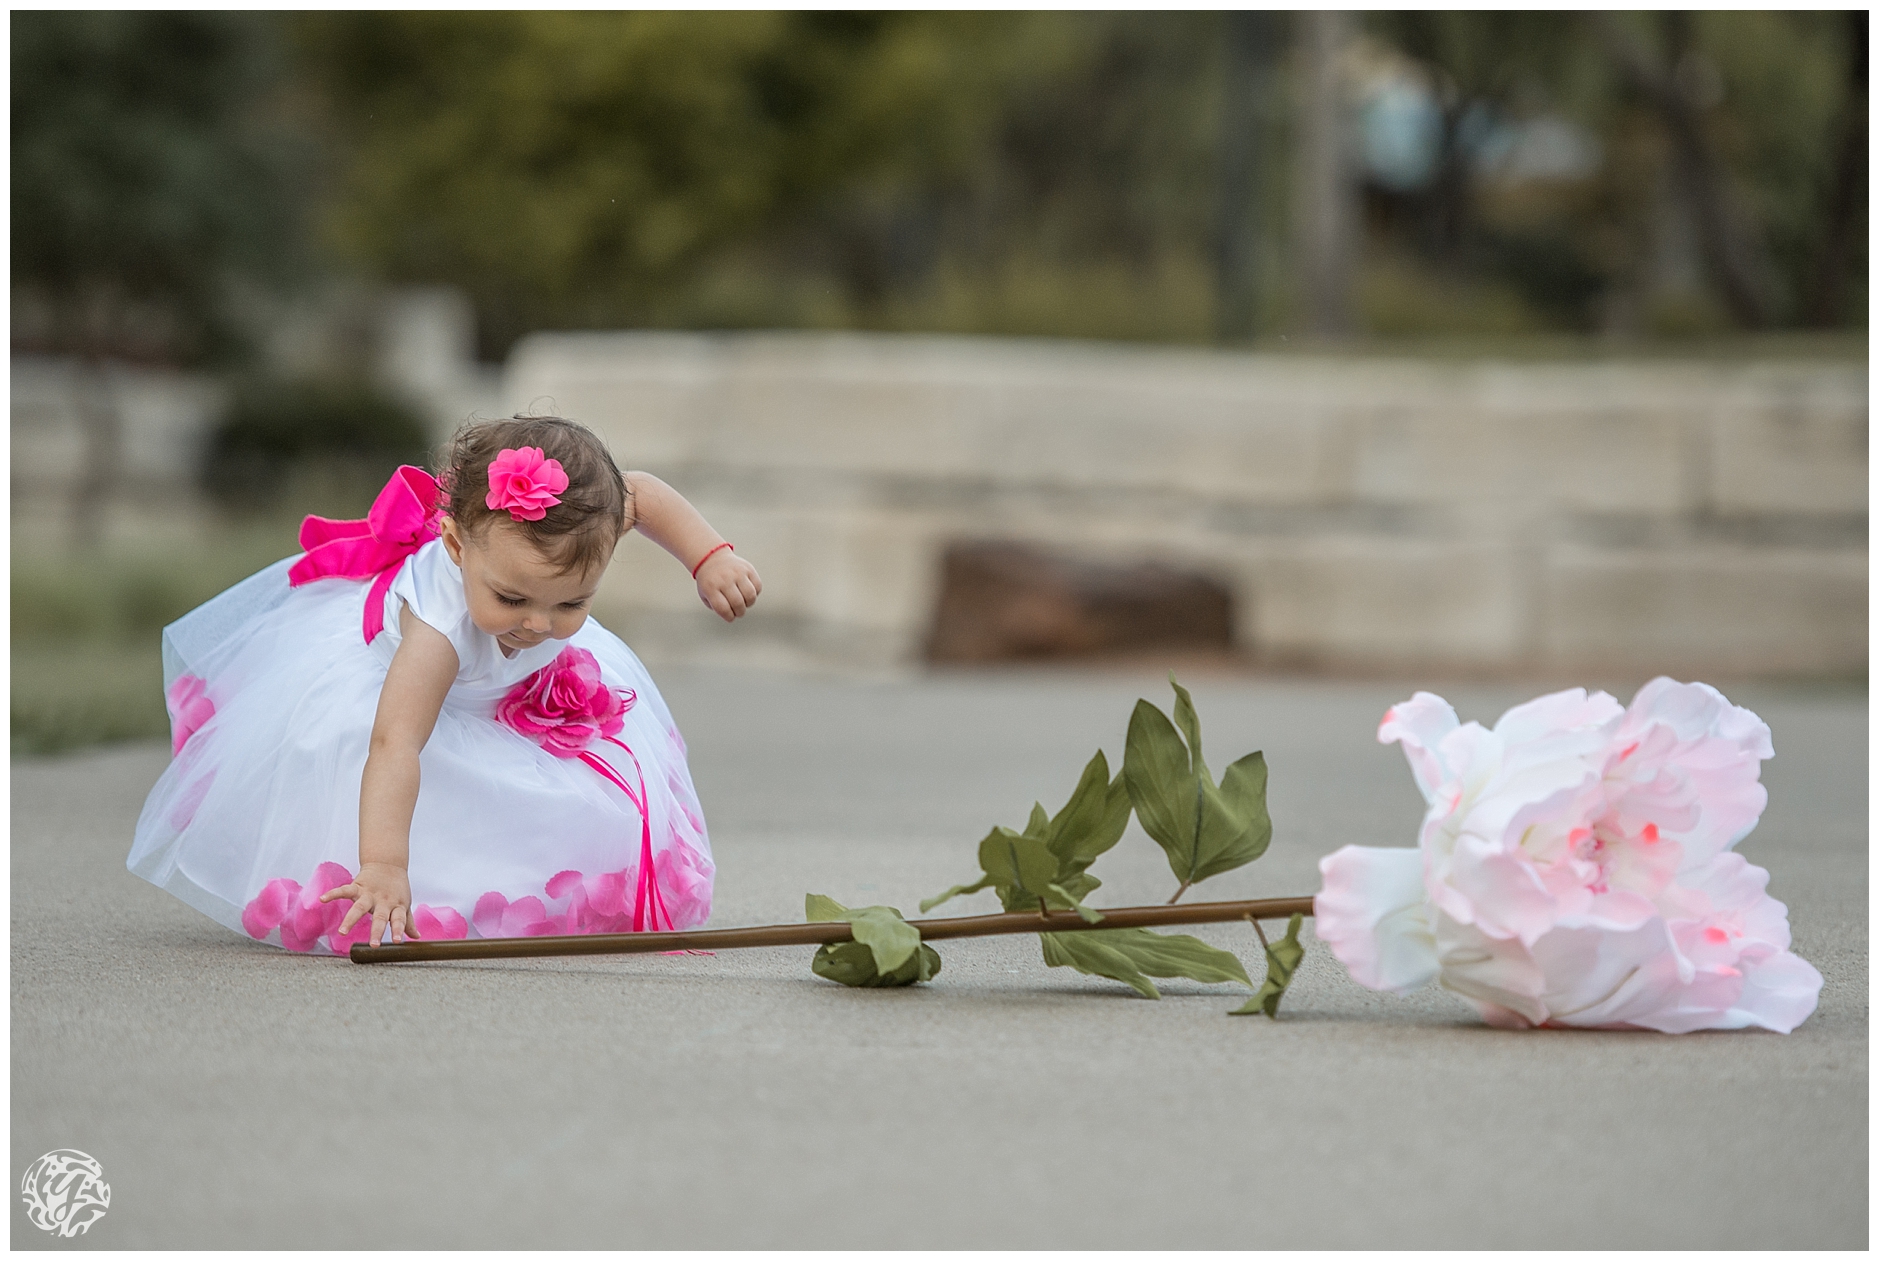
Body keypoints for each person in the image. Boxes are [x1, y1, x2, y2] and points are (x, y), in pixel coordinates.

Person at [128, 414, 760, 954]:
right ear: (455, 545)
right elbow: (395, 744)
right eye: (512, 597)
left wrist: (710, 556)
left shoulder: (570, 549)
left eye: (571, 605)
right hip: (409, 696)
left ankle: (529, 888)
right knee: (405, 776)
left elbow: (642, 493)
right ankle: (421, 890)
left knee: (582, 801)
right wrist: (382, 866)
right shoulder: (439, 630)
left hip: (501, 690)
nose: (538, 625)